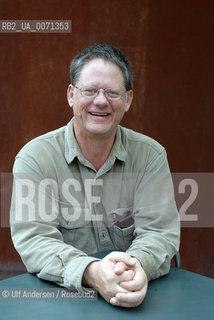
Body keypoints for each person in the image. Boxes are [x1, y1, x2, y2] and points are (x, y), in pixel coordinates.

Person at [10, 43, 180, 308]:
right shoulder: (35, 159)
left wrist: (136, 270)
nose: (100, 101)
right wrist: (92, 272)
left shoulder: (150, 156)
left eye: (112, 92)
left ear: (128, 100)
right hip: (63, 300)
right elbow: (35, 239)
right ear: (71, 95)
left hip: (136, 294)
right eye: (89, 91)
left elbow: (158, 232)